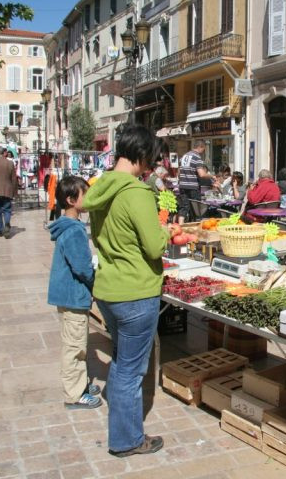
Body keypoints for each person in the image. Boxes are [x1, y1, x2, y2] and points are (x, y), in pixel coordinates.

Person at [83, 124, 169, 458]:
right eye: (151, 159)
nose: (151, 167)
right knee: (130, 370)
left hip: (107, 289)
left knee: (122, 362)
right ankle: (127, 440)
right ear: (142, 155)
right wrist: (165, 233)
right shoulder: (136, 192)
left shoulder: (101, 186)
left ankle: (124, 433)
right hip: (136, 291)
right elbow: (152, 246)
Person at [47, 176, 101, 410]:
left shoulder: (68, 227)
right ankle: (74, 394)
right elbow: (81, 267)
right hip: (73, 295)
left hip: (69, 295)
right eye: (84, 194)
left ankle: (80, 384)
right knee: (74, 347)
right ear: (71, 200)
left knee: (77, 342)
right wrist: (96, 280)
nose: (88, 198)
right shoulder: (74, 231)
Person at [177, 141, 211, 223]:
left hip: (182, 186)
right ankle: (195, 228)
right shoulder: (196, 157)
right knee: (196, 209)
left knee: (184, 207)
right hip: (193, 187)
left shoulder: (184, 157)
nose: (203, 152)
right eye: (203, 149)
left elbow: (178, 173)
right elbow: (202, 174)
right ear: (200, 147)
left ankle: (180, 226)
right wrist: (211, 176)